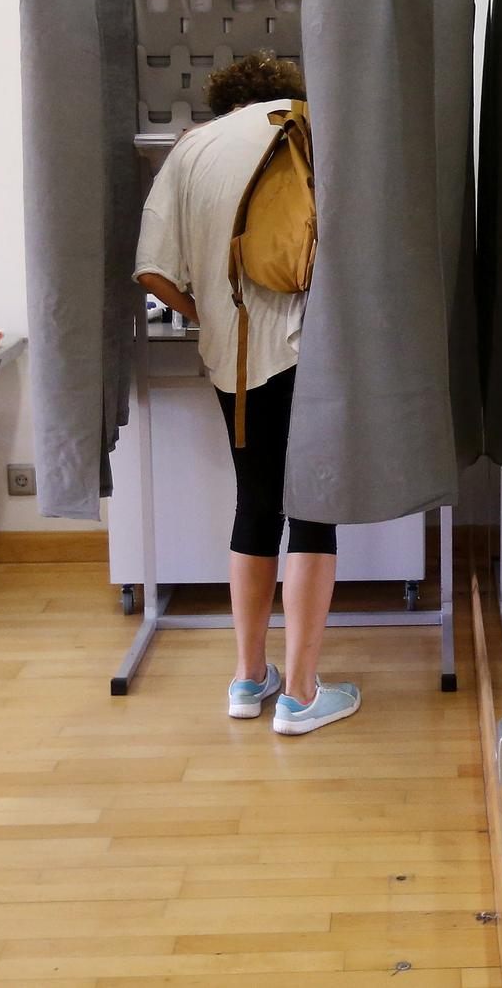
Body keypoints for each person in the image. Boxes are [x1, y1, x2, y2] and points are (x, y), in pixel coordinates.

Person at [134, 51, 359, 736]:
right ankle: (300, 691)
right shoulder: (321, 133)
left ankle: (246, 676)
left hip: (234, 361)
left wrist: (210, 316)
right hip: (319, 353)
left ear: (224, 97)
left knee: (256, 504)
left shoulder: (193, 148)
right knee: (314, 511)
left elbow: (151, 271)